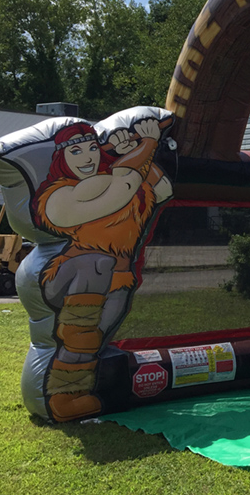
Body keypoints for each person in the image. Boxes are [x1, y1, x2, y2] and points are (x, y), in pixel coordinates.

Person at [32, 117, 173, 421]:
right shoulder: (61, 193)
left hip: (117, 277)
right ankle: (61, 397)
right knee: (95, 269)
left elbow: (162, 188)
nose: (87, 158)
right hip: (72, 273)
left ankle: (73, 396)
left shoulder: (124, 181)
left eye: (93, 149)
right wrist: (147, 144)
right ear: (61, 158)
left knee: (92, 340)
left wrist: (134, 151)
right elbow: (120, 188)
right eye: (76, 151)